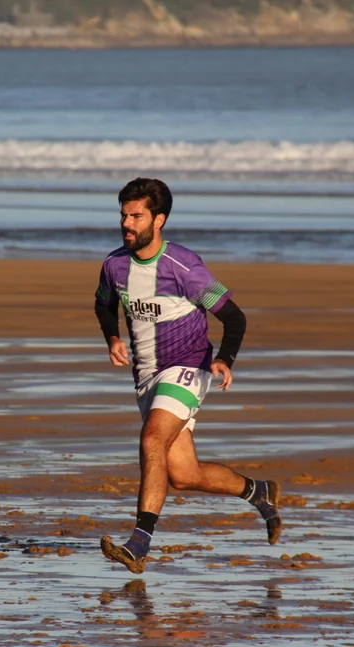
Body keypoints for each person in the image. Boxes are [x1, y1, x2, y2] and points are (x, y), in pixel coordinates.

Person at [94, 177, 282, 575]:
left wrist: (225, 359)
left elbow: (235, 318)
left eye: (136, 216)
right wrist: (112, 336)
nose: (126, 223)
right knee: (182, 475)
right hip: (146, 375)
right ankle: (259, 491)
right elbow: (103, 304)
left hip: (188, 367)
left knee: (151, 439)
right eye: (123, 215)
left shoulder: (185, 267)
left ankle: (139, 543)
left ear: (158, 220)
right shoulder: (114, 264)